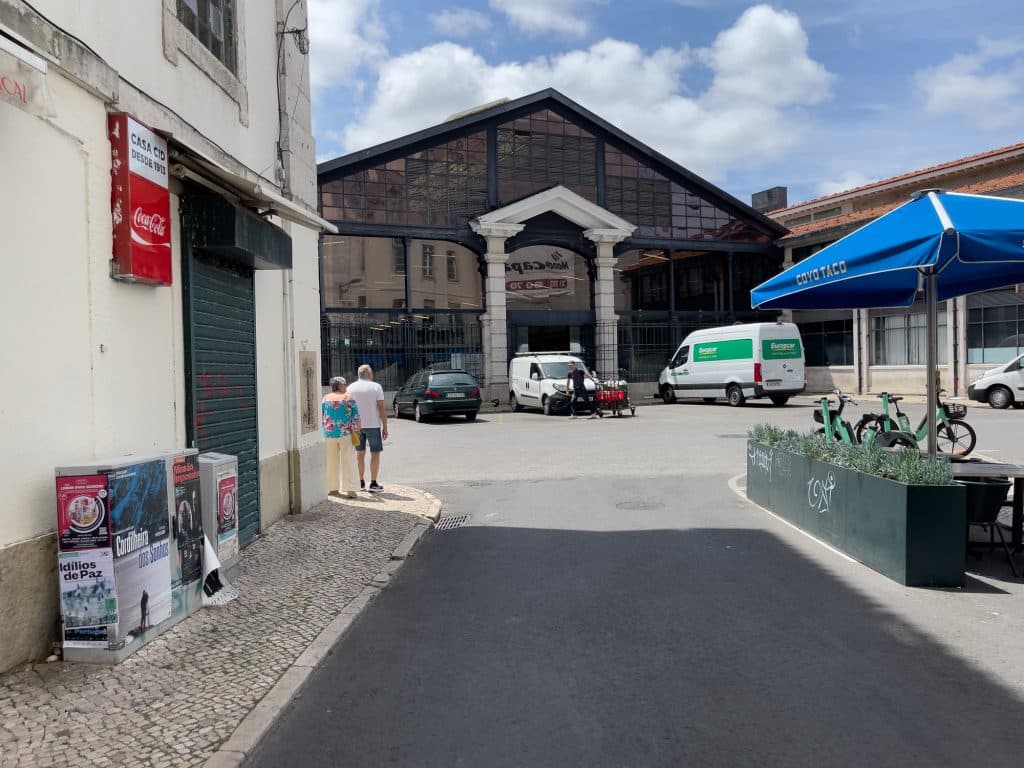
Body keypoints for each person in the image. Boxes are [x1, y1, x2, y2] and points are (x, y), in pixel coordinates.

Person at [346, 364, 388, 492]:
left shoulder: (350, 388)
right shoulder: (376, 387)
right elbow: (381, 407)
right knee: (375, 453)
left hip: (357, 426)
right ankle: (373, 483)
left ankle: (361, 482)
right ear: (369, 374)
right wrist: (385, 427)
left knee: (360, 453)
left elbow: (348, 408)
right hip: (373, 424)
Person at [322, 376, 361, 498]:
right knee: (348, 460)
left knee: (331, 461)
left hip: (329, 433)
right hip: (345, 433)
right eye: (344, 384)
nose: (346, 386)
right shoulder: (347, 398)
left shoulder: (325, 398)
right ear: (339, 385)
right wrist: (357, 429)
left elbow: (322, 415)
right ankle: (350, 489)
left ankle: (332, 488)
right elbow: (355, 416)